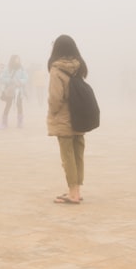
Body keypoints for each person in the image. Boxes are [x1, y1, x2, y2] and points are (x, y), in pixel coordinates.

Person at [46, 35, 90, 205]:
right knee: (78, 153)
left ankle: (73, 194)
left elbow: (56, 97)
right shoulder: (80, 67)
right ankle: (76, 190)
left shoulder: (56, 69)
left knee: (67, 156)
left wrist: (52, 113)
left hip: (64, 118)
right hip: (80, 116)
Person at [0, 54, 28, 128]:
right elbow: (2, 78)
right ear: (12, 60)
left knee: (19, 105)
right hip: (10, 90)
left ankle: (20, 122)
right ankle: (4, 122)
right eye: (16, 59)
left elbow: (26, 78)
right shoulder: (7, 68)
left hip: (19, 90)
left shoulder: (22, 68)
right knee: (8, 105)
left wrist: (20, 82)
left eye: (18, 59)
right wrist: (10, 81)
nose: (17, 61)